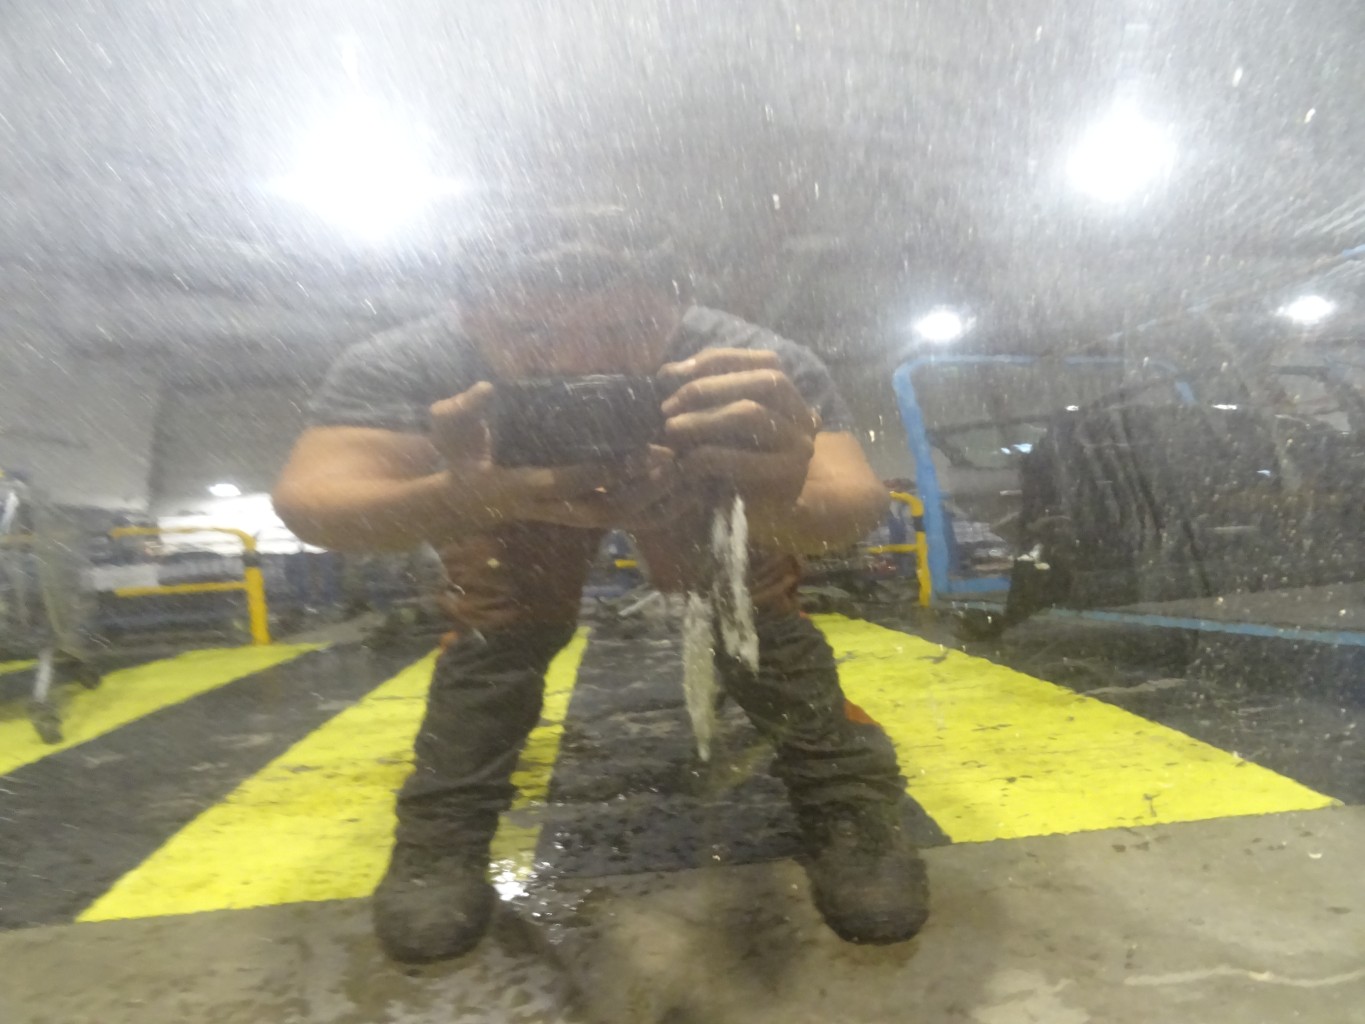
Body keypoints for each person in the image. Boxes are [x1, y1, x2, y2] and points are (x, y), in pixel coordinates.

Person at [273, 205, 929, 963]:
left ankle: (847, 800)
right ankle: (442, 831)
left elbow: (848, 508)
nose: (576, 361)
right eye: (532, 334)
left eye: (622, 332)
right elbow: (313, 503)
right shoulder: (416, 358)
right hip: (502, 498)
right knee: (500, 617)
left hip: (689, 488)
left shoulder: (745, 358)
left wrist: (772, 495)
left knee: (746, 600)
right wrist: (463, 497)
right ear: (470, 317)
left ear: (675, 312)